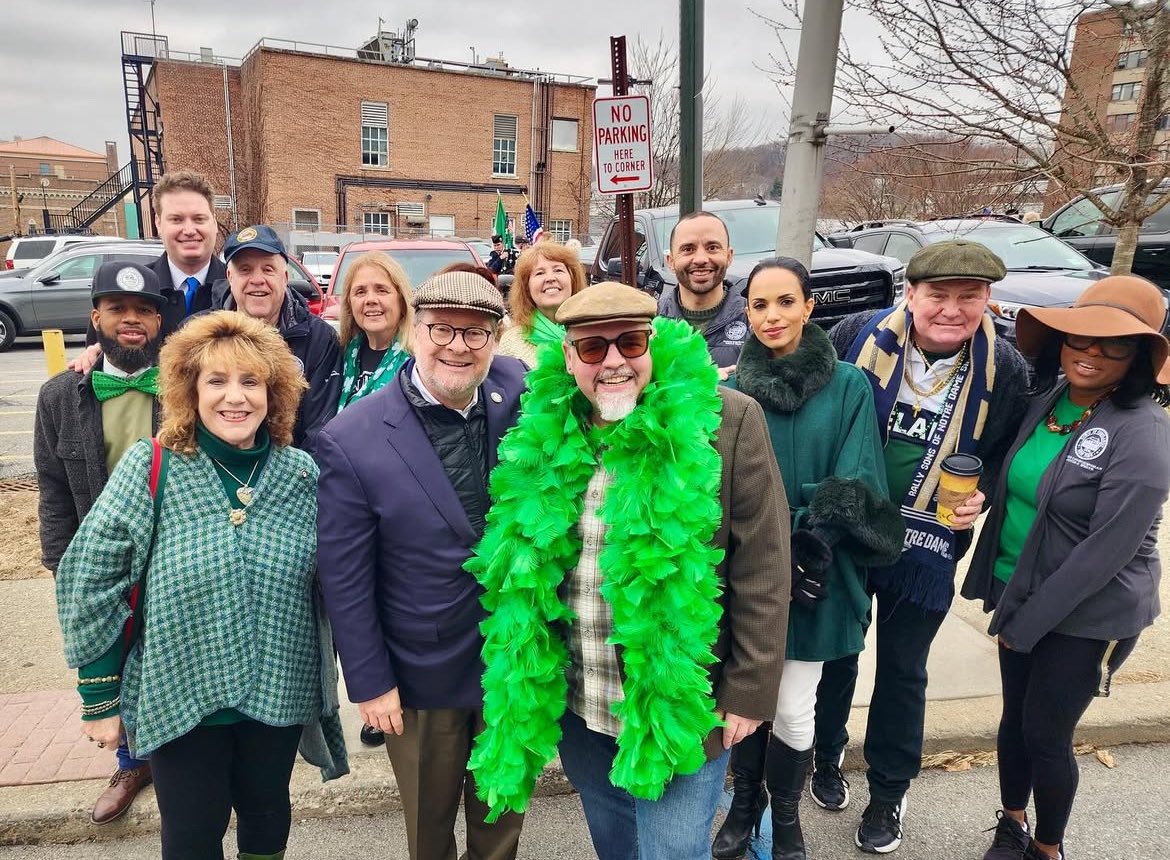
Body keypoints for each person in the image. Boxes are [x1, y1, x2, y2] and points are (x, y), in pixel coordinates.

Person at [466, 281, 791, 860]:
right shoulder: (540, 431)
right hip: (580, 702)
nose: (613, 362)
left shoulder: (727, 422)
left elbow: (764, 567)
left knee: (671, 851)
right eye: (593, 349)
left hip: (679, 702)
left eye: (630, 343)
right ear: (568, 357)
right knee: (615, 846)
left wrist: (749, 690)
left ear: (653, 343)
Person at [56, 310, 347, 860]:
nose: (234, 397)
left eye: (250, 382)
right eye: (216, 381)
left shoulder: (301, 474)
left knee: (267, 817)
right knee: (192, 835)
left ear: (274, 392)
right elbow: (89, 577)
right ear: (190, 390)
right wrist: (99, 697)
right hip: (179, 694)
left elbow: (338, 576)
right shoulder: (154, 465)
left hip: (278, 691)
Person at [816, 240, 1030, 854]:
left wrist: (983, 492)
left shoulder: (1005, 368)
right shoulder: (856, 335)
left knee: (903, 672)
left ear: (987, 299)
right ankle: (826, 757)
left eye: (970, 296)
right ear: (910, 294)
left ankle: (887, 792)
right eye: (938, 294)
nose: (952, 309)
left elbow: (1005, 450)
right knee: (836, 656)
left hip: (928, 540)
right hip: (851, 527)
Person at [316, 271, 528, 860]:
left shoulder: (520, 391)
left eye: (476, 333)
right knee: (429, 828)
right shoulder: (352, 438)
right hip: (420, 672)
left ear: (497, 339)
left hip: (513, 664)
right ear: (415, 330)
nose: (457, 346)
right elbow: (346, 578)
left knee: (500, 820)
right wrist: (370, 681)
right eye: (441, 329)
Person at [961, 276, 1170, 860]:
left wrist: (1024, 623)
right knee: (1014, 722)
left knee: (1046, 735)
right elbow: (1015, 478)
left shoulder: (1145, 432)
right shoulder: (1050, 399)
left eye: (1115, 345)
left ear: (1139, 357)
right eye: (1083, 336)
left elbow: (1106, 551)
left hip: (1088, 613)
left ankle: (1048, 848)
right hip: (1019, 589)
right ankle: (1011, 822)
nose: (1092, 351)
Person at [715, 258, 905, 860]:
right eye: (759, 305)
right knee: (743, 697)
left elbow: (858, 476)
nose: (772, 316)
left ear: (808, 306)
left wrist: (811, 535)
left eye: (785, 302)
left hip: (819, 565)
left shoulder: (849, 385)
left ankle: (787, 816)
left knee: (795, 706)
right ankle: (746, 805)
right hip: (746, 568)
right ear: (746, 313)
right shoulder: (728, 390)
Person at [34, 261, 167, 825]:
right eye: (118, 309)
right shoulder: (60, 396)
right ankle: (131, 760)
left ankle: (177, 752)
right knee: (111, 657)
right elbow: (53, 488)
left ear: (159, 321)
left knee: (165, 656)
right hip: (101, 554)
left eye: (142, 311)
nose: (131, 320)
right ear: (96, 317)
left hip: (172, 548)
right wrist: (66, 567)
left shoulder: (188, 383)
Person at [71, 171, 227, 373]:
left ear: (213, 222)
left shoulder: (240, 289)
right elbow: (102, 357)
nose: (189, 230)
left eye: (199, 219)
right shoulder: (126, 291)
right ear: (158, 224)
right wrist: (95, 357)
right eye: (177, 220)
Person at [214, 224, 341, 453]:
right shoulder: (201, 336)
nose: (257, 279)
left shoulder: (320, 339)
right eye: (245, 270)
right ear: (229, 277)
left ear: (284, 277)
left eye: (268, 269)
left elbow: (320, 432)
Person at [658, 210, 745, 378]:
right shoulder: (650, 324)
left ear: (729, 256)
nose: (700, 259)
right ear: (671, 261)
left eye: (712, 248)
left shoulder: (755, 322)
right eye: (688, 249)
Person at [336, 251, 414, 413]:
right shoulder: (340, 357)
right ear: (350, 304)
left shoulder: (416, 364)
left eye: (381, 290)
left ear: (401, 300)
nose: (370, 299)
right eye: (360, 292)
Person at [496, 242, 587, 366]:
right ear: (527, 287)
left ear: (573, 280)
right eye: (540, 273)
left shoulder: (594, 334)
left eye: (558, 270)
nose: (550, 278)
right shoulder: (511, 343)